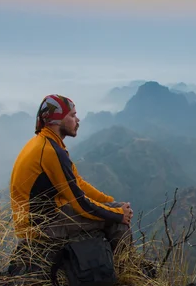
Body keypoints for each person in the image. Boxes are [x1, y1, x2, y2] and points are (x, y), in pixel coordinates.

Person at [9, 94, 133, 270]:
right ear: (56, 120)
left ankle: (115, 268)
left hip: (42, 217)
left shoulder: (44, 143)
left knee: (113, 211)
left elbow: (78, 183)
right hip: (41, 225)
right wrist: (118, 214)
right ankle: (127, 272)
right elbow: (79, 203)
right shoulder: (51, 151)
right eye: (72, 115)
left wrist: (109, 202)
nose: (78, 120)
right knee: (117, 222)